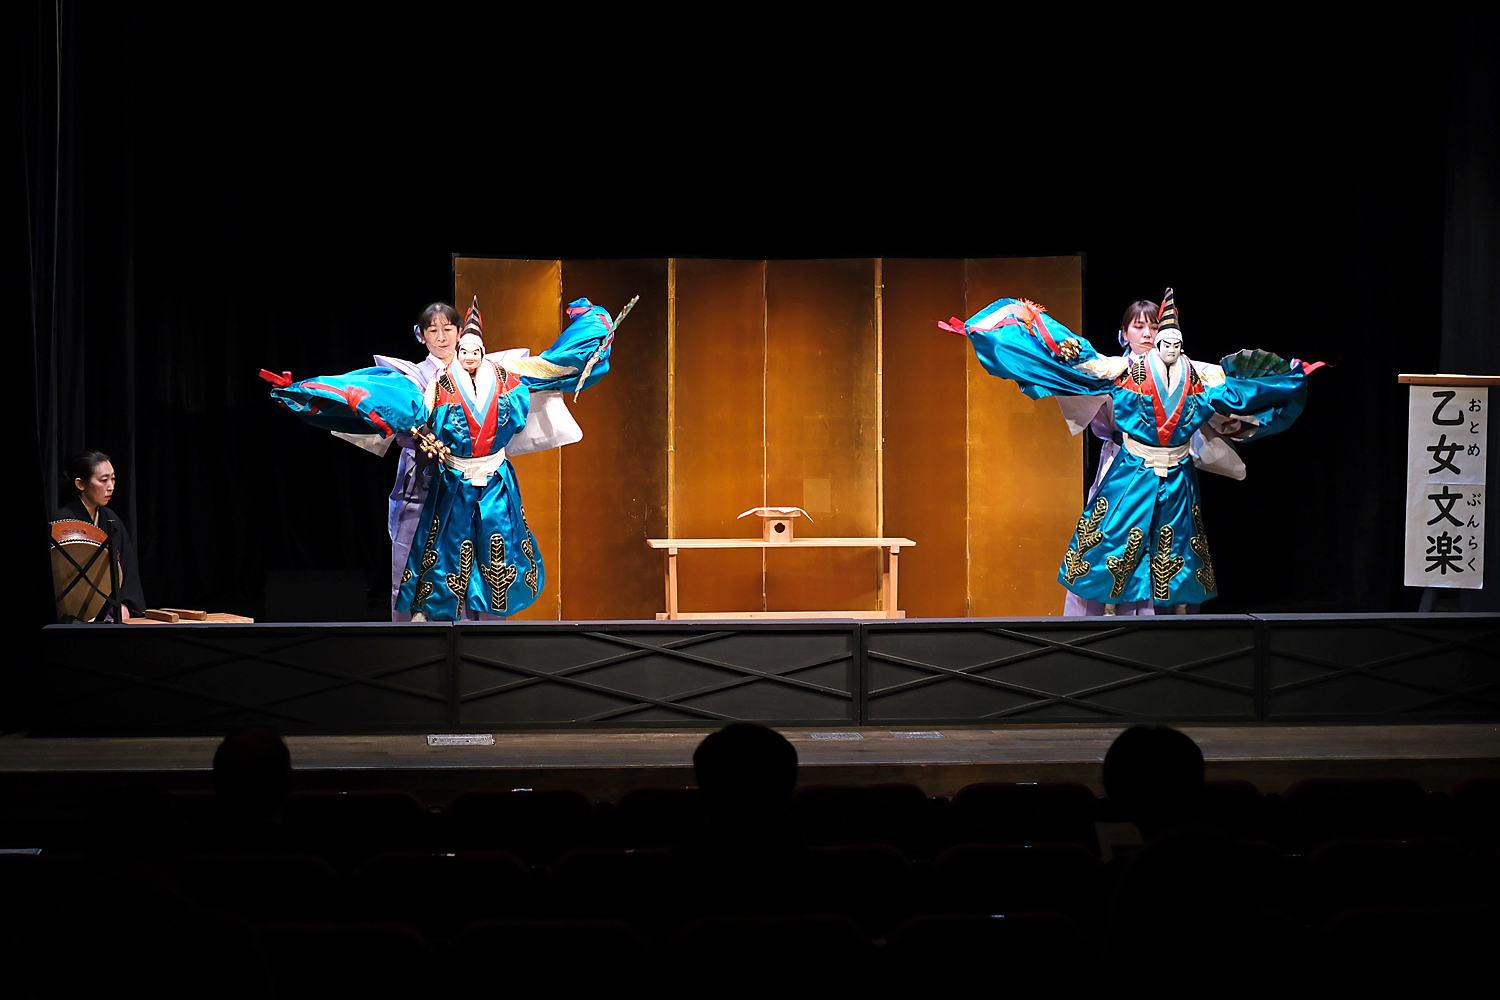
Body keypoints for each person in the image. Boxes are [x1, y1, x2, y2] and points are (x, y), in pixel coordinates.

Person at [941, 289, 1318, 613]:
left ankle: (1170, 621)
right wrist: (1024, 325)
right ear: (1124, 333)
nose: (1148, 334)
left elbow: (1235, 390)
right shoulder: (1115, 370)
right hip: (1126, 465)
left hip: (1175, 470)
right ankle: (1107, 617)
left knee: (1174, 545)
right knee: (1112, 542)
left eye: (1154, 327)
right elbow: (1069, 364)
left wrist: (1285, 379)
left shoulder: (1193, 373)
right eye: (1139, 327)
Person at [266, 295, 618, 621]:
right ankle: (421, 639)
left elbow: (552, 368)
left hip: (487, 482)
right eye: (432, 330)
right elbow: (373, 395)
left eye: (448, 329)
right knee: (420, 558)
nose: (442, 337)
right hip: (428, 480)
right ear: (420, 335)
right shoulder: (415, 378)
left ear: (461, 334)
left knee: (490, 558)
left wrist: (592, 329)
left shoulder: (500, 370)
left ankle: (486, 640)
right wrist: (308, 392)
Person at [55, 450, 145, 620]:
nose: (111, 486)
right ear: (80, 484)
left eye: (113, 479)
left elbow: (128, 569)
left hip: (109, 611)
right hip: (71, 614)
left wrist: (125, 606)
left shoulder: (111, 519)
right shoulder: (62, 522)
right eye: (104, 480)